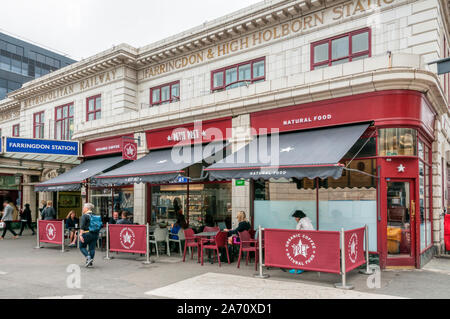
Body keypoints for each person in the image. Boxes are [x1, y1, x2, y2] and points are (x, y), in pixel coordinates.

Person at [288, 210, 314, 275]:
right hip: (311, 240)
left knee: (298, 253)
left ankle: (298, 268)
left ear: (299, 217)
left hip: (304, 240)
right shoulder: (307, 220)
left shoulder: (301, 222)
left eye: (295, 217)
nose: (295, 219)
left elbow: (296, 231)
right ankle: (303, 267)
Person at [79, 203, 102, 267]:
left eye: (83, 208)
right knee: (92, 249)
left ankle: (88, 257)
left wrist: (80, 235)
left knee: (82, 246)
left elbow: (82, 226)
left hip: (86, 234)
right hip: (95, 234)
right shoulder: (95, 215)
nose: (83, 209)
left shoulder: (84, 216)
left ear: (87, 209)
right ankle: (90, 262)